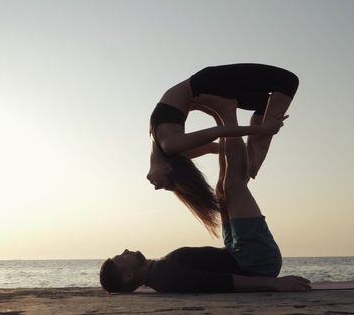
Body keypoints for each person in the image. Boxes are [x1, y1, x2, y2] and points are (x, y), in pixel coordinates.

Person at [102, 95, 309, 293]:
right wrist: (272, 284)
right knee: (233, 185)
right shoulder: (163, 276)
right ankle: (226, 112)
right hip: (254, 263)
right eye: (120, 259)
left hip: (239, 253)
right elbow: (218, 282)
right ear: (127, 276)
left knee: (223, 189)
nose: (126, 251)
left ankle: (228, 119)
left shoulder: (159, 275)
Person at [147, 63, 298, 235]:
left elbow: (219, 131)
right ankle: (254, 154)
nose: (157, 188)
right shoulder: (174, 150)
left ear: (167, 168)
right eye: (165, 186)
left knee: (288, 81)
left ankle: (257, 150)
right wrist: (244, 158)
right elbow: (213, 147)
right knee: (270, 99)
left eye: (167, 186)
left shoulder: (170, 145)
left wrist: (262, 129)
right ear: (167, 169)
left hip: (208, 83)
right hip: (211, 87)